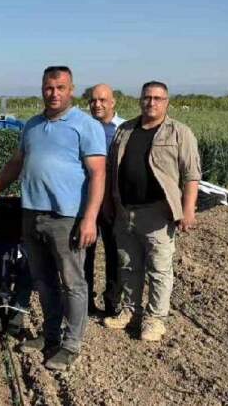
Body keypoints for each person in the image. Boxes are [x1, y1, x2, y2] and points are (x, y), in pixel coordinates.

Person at [0, 66, 106, 371]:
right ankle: (50, 337)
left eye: (60, 87)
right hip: (32, 213)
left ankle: (71, 344)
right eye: (49, 88)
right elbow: (17, 162)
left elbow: (98, 173)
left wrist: (89, 219)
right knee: (44, 282)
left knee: (73, 282)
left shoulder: (85, 125)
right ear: (42, 89)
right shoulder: (33, 125)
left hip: (67, 217)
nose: (54, 93)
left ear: (71, 89)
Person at [103, 81, 201, 342]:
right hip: (125, 210)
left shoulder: (179, 132)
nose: (152, 102)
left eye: (158, 98)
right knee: (128, 265)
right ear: (140, 100)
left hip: (157, 212)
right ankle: (131, 312)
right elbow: (112, 168)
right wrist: (109, 202)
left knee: (159, 269)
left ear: (166, 102)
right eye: (147, 97)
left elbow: (192, 175)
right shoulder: (125, 130)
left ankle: (155, 319)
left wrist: (188, 209)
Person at [84, 84, 125, 315]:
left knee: (115, 253)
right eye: (93, 100)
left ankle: (113, 302)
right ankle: (85, 301)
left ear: (113, 102)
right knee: (83, 252)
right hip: (86, 201)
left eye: (102, 100)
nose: (97, 104)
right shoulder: (84, 127)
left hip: (113, 203)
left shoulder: (123, 129)